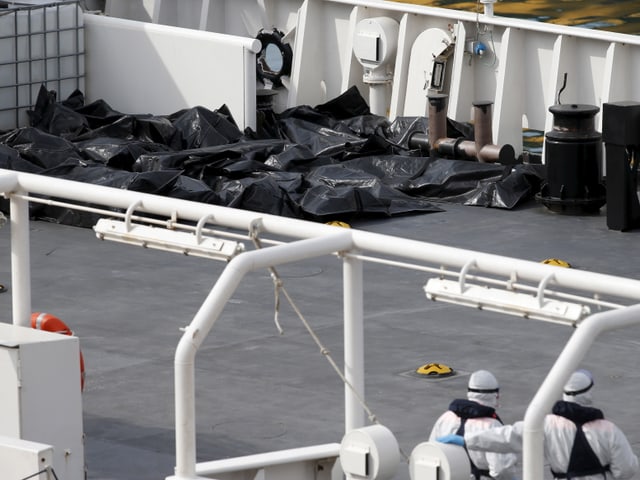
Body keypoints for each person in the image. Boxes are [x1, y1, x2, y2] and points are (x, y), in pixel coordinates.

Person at [438, 369, 639, 480]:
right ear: (589, 393)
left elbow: (507, 437)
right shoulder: (608, 430)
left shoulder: (546, 424)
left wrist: (466, 440)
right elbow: (627, 470)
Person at [429, 369, 518, 480]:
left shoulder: (445, 417)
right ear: (495, 395)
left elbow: (431, 452)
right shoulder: (492, 426)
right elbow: (501, 470)